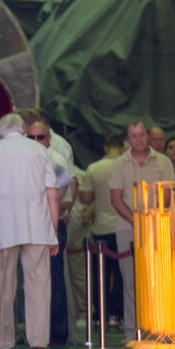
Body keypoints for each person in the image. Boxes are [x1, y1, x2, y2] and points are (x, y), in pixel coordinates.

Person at [0, 114, 59, 349]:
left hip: (4, 229)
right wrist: (53, 231)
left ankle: (2, 342)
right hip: (38, 227)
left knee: (4, 285)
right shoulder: (40, 151)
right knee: (39, 286)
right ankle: (39, 341)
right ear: (23, 129)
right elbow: (52, 194)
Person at [108, 120, 175, 333]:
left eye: (142, 135)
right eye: (134, 136)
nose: (138, 139)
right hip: (127, 228)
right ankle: (132, 332)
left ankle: (159, 331)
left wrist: (152, 217)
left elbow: (167, 193)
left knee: (159, 279)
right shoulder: (120, 163)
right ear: (127, 139)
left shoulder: (163, 161)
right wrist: (136, 220)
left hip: (158, 226)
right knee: (130, 282)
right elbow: (116, 199)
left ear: (148, 135)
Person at [21, 112, 75, 345]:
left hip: (50, 223)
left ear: (49, 138)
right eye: (31, 137)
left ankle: (57, 333)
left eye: (40, 137)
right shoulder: (21, 157)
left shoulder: (56, 158)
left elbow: (63, 191)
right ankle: (34, 332)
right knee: (28, 280)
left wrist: (51, 215)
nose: (36, 141)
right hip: (26, 224)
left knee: (54, 279)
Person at [74, 135, 124, 324]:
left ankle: (97, 314)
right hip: (121, 226)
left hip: (100, 227)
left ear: (105, 148)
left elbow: (85, 198)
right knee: (119, 274)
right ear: (121, 148)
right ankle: (115, 314)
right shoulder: (125, 166)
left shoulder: (93, 169)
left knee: (98, 275)